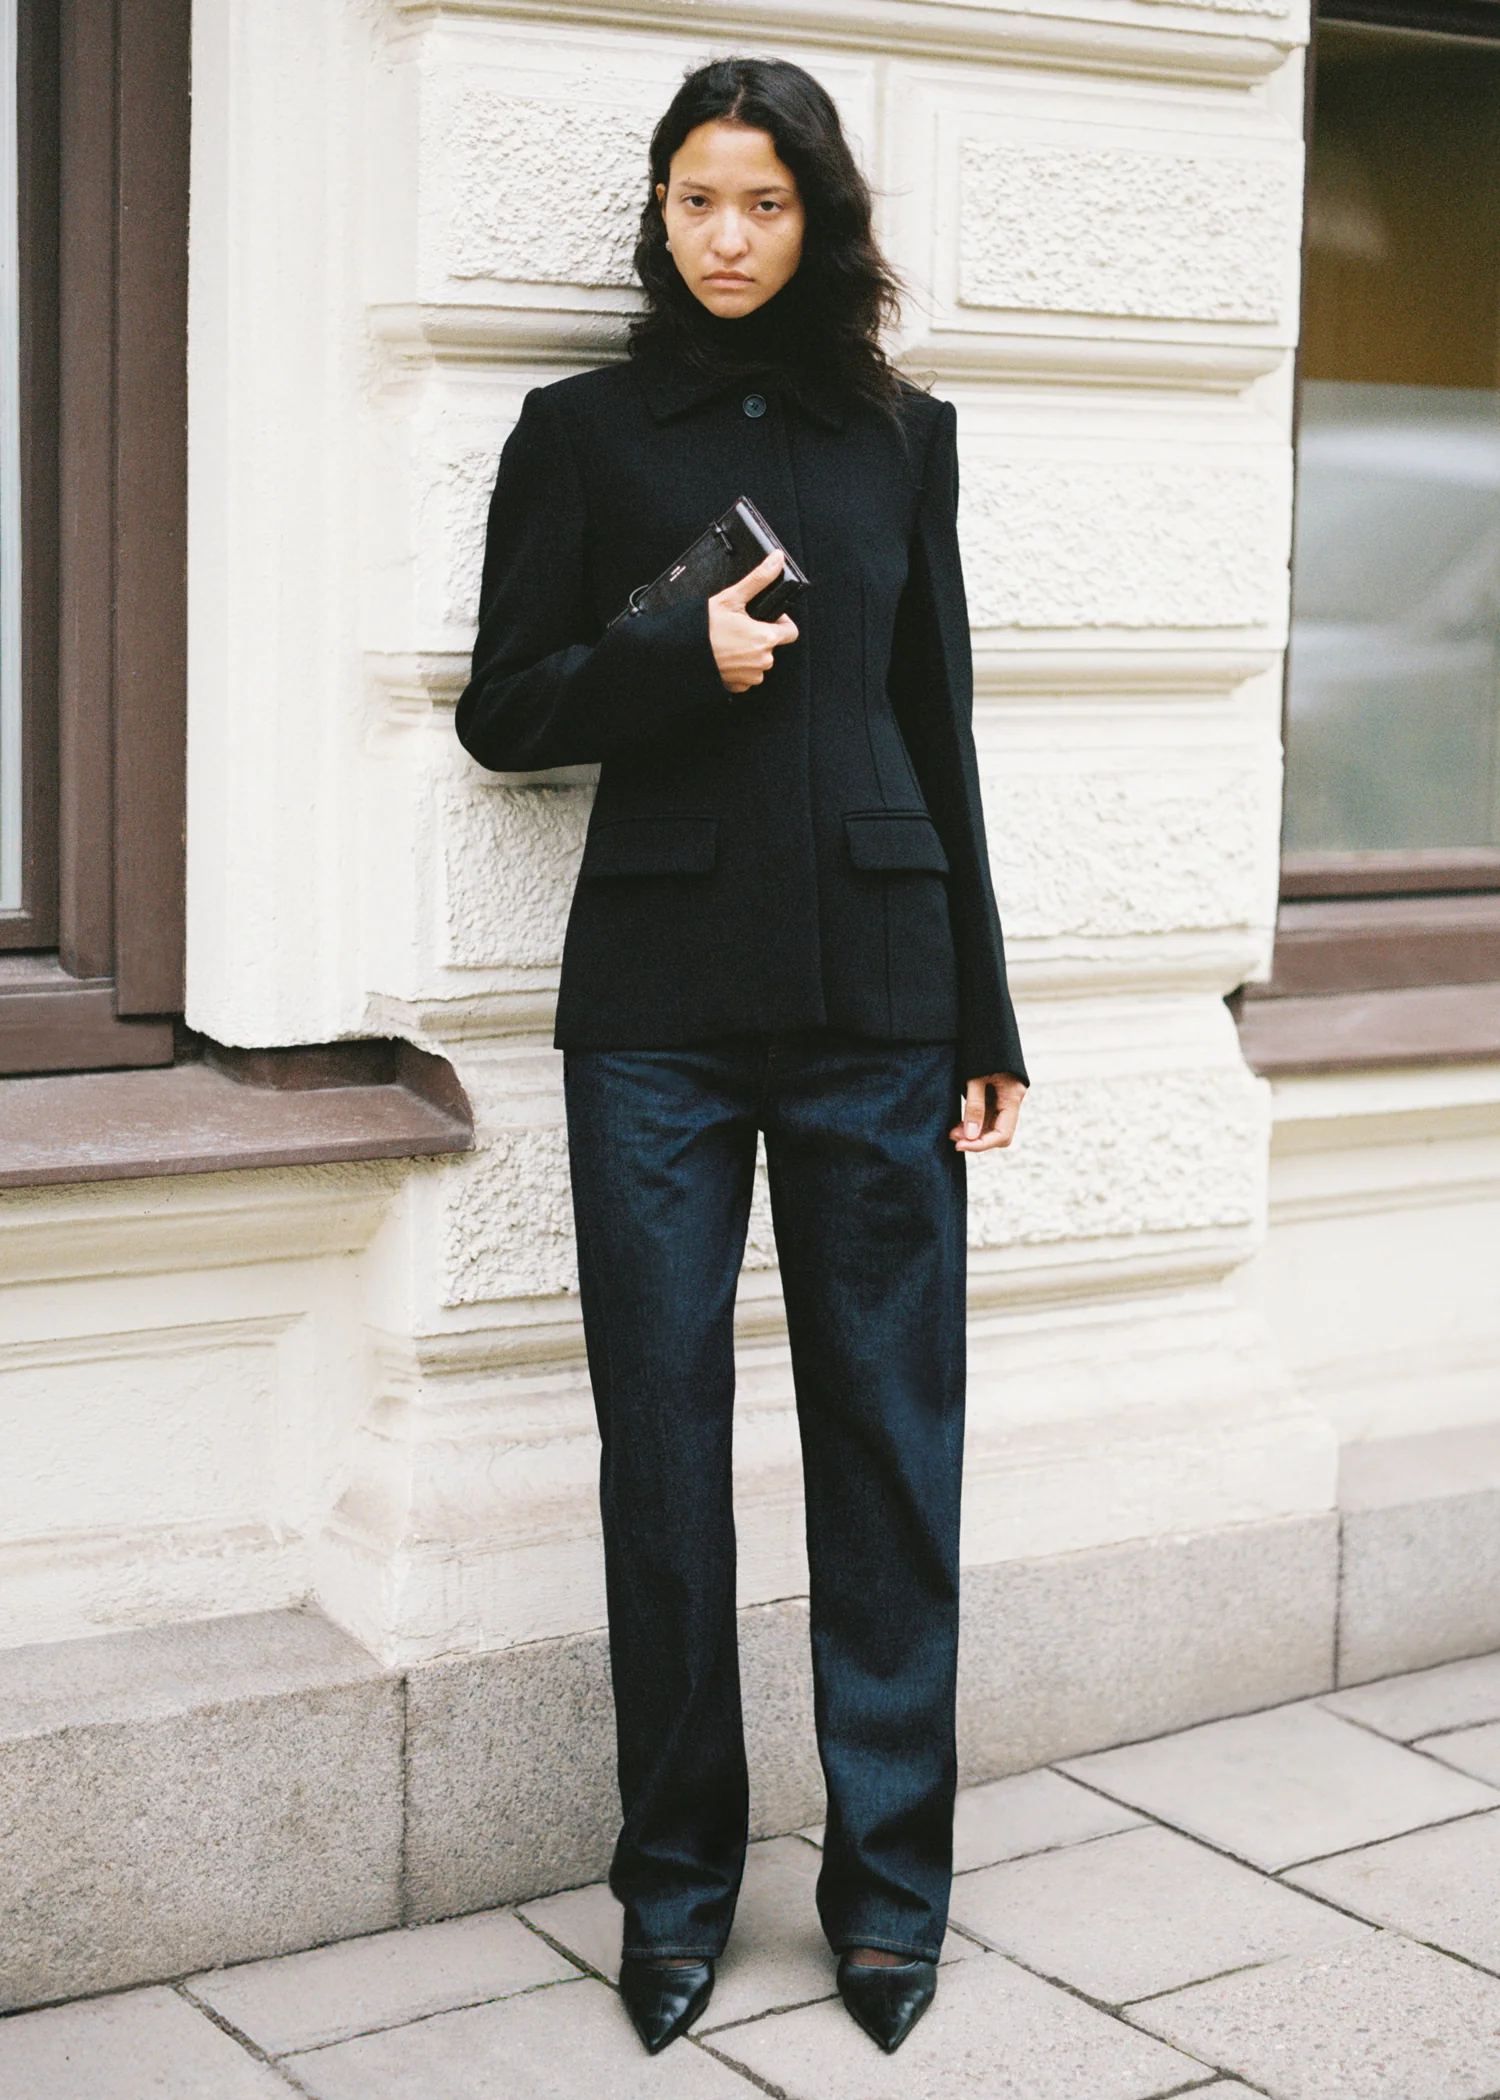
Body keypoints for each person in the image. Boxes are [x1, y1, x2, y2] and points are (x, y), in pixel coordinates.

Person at [455, 54, 1026, 2058]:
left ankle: (890, 1897)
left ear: (818, 219)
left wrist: (986, 1014)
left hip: (883, 999)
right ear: (659, 212)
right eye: (695, 198)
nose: (725, 234)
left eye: (763, 202)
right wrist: (663, 659)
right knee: (665, 1450)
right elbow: (503, 710)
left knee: (890, 1445)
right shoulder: (581, 433)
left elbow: (940, 724)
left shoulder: (903, 438)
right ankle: (677, 1890)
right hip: (658, 1019)